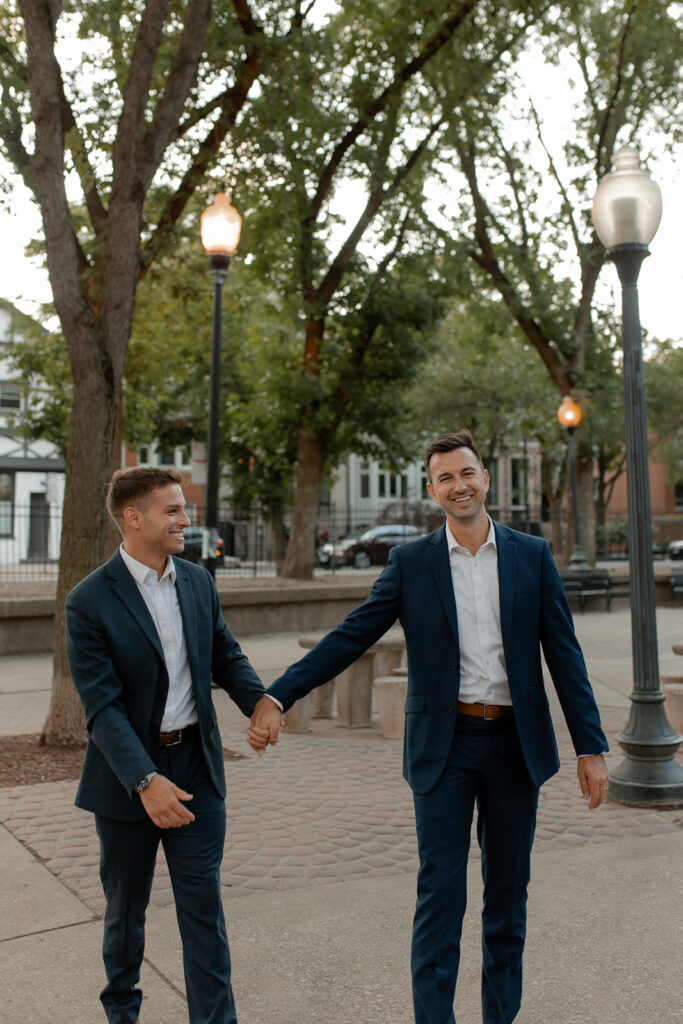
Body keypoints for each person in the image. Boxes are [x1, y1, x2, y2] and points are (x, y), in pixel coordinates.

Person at [248, 429, 609, 1024]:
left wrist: (590, 746)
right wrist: (278, 695)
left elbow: (564, 657)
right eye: (445, 478)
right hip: (446, 747)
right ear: (432, 490)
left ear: (485, 478)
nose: (458, 485)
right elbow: (352, 635)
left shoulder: (531, 556)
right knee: (440, 897)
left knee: (507, 901)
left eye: (466, 473)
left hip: (516, 746)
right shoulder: (411, 563)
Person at [66, 466, 265, 1024]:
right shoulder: (88, 602)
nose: (185, 519)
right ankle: (122, 1014)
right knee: (126, 914)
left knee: (204, 912)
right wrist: (145, 782)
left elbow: (225, 655)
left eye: (184, 509)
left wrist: (261, 702)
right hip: (128, 777)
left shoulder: (198, 581)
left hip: (197, 768)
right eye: (172, 510)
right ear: (134, 517)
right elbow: (101, 709)